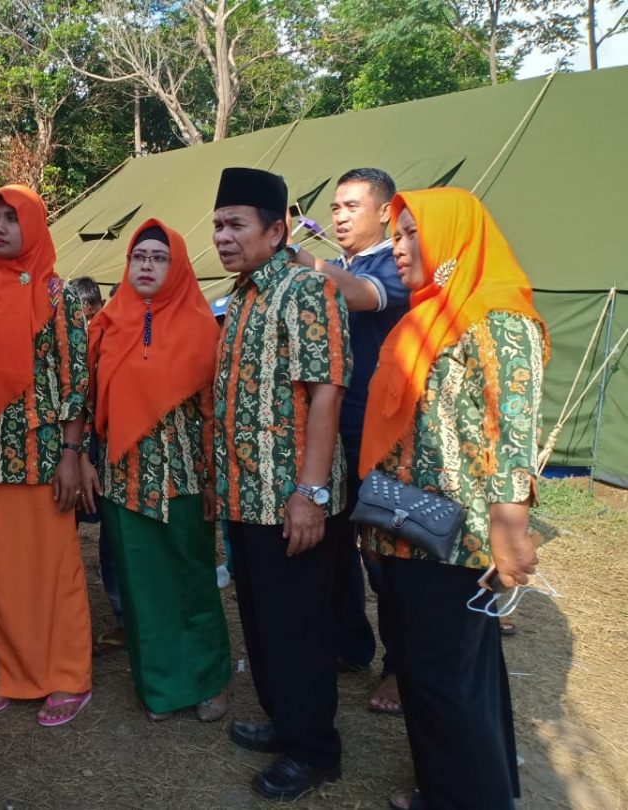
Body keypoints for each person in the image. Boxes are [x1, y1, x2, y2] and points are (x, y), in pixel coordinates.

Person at [361, 187, 547, 810]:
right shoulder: (430, 313)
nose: (400, 245)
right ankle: (453, 789)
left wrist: (509, 522)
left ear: (455, 238)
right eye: (396, 232)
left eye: (413, 232)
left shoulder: (494, 313)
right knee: (435, 673)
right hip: (410, 528)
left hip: (458, 538)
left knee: (445, 678)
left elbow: (511, 423)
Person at [212, 168, 351, 800]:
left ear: (277, 229)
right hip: (245, 496)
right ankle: (285, 721)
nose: (222, 236)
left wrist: (311, 493)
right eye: (218, 224)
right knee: (263, 621)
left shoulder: (304, 288)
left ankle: (314, 749)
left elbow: (325, 393)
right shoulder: (241, 296)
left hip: (291, 497)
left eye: (236, 224)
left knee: (297, 626)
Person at [0, 184, 93, 727]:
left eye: (12, 218)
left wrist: (73, 453)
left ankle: (67, 676)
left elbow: (77, 384)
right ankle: (0, 673)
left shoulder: (59, 296)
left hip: (42, 453)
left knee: (52, 571)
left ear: (33, 225)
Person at [81, 219, 230, 722]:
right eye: (138, 256)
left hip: (184, 474)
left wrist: (213, 479)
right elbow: (85, 402)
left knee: (192, 580)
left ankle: (208, 680)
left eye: (159, 257)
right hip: (125, 479)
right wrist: (81, 458)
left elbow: (212, 411)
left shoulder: (200, 326)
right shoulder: (106, 324)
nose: (146, 265)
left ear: (178, 265)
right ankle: (161, 687)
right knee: (142, 584)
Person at [293, 168, 408, 712]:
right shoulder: (343, 264)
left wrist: (310, 266)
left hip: (381, 432)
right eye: (334, 207)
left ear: (385, 211)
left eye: (351, 206)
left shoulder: (397, 259)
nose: (339, 215)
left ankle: (401, 667)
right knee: (335, 544)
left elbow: (365, 297)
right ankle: (349, 644)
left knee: (385, 551)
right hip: (333, 428)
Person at [69, 275, 126, 656]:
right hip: (76, 449)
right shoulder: (77, 338)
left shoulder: (109, 336)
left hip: (107, 450)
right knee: (64, 533)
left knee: (114, 538)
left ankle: (124, 617)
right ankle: (70, 617)